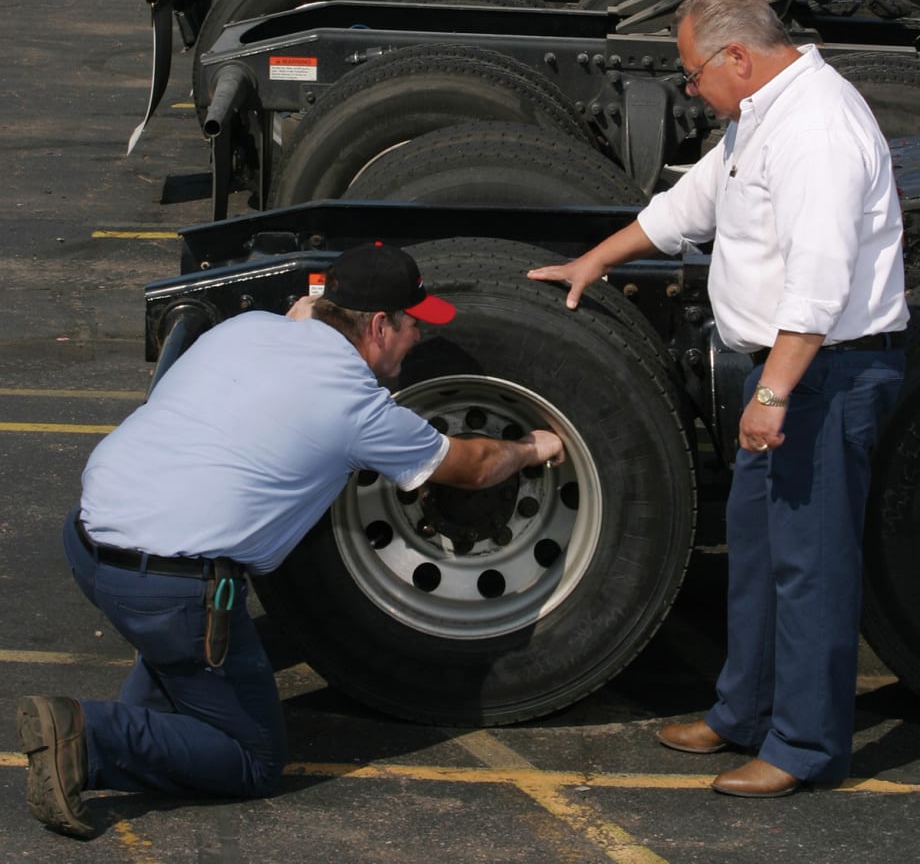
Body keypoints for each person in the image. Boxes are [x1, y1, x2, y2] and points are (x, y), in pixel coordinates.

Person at [17, 241, 563, 839]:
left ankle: (143, 718)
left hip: (89, 540)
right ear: (379, 325)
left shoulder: (248, 328)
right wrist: (535, 448)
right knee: (252, 760)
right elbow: (475, 467)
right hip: (168, 590)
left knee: (178, 685)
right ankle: (86, 736)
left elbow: (300, 320)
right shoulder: (355, 405)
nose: (417, 340)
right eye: (412, 326)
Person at [529, 0, 907, 797]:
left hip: (820, 374)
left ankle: (805, 748)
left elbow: (819, 281)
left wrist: (771, 395)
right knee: (763, 553)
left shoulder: (817, 130)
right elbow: (693, 203)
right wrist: (597, 259)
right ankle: (744, 710)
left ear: (738, 56)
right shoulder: (763, 113)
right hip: (786, 373)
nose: (690, 89)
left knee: (812, 567)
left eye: (693, 73)